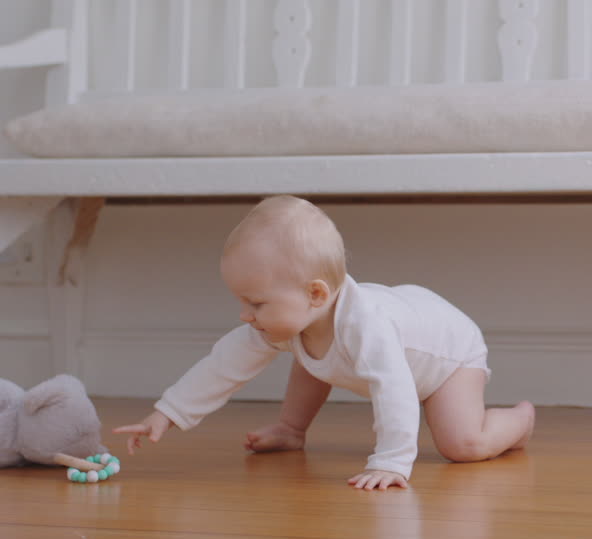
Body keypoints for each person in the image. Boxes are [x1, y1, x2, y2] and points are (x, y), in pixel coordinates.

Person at [113, 195, 534, 490]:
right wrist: (166, 413)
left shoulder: (367, 326)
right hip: (395, 336)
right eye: (241, 301)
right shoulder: (295, 317)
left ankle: (519, 420)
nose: (244, 315)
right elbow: (224, 365)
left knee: (462, 445)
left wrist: (390, 462)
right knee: (310, 352)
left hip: (447, 358)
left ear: (315, 293)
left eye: (255, 302)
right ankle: (292, 429)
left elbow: (395, 389)